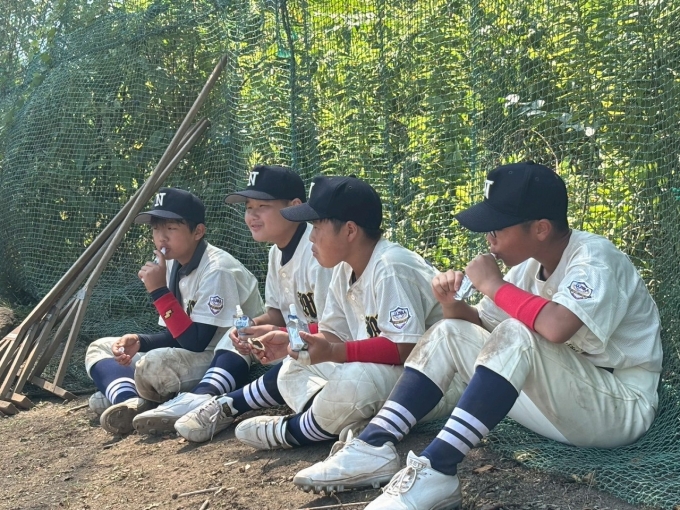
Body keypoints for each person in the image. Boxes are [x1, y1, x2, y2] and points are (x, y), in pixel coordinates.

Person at [293, 161, 663, 510]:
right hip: (562, 406)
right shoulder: (528, 268)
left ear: (540, 228)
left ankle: (437, 468)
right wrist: (450, 302)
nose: (489, 236)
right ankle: (373, 445)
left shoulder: (594, 257)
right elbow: (479, 327)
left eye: (498, 227)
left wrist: (494, 284)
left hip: (619, 408)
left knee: (517, 332)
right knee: (448, 330)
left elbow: (556, 326)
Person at [232, 175, 449, 452]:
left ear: (349, 230)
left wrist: (334, 352)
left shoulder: (390, 266)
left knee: (356, 378)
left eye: (317, 226)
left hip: (432, 383)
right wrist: (290, 339)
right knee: (293, 366)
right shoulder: (344, 267)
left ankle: (296, 431)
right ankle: (340, 424)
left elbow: (405, 348)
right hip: (388, 374)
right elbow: (334, 333)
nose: (311, 236)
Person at [132, 165, 333, 440]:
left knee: (290, 369)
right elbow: (277, 313)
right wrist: (254, 326)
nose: (252, 215)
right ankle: (199, 399)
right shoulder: (277, 252)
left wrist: (277, 332)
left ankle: (213, 401)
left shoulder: (318, 253)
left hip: (325, 350)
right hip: (294, 344)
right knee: (238, 330)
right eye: (249, 207)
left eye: (262, 206)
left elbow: (334, 330)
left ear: (295, 207)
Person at [84, 187, 263, 435]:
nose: (162, 237)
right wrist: (140, 341)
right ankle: (130, 402)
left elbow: (197, 342)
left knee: (152, 365)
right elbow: (175, 335)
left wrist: (158, 291)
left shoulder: (216, 269)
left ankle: (142, 394)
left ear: (198, 232)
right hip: (194, 351)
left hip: (225, 354)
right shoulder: (171, 264)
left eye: (171, 228)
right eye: (156, 228)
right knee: (101, 347)